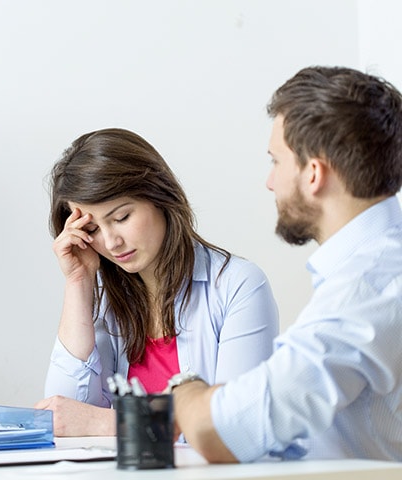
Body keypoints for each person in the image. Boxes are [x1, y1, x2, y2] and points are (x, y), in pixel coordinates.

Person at [170, 66, 402, 463]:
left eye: (276, 161)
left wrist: (184, 389)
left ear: (313, 173)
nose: (270, 182)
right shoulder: (373, 269)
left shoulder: (369, 284)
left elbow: (218, 431)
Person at [34, 128, 279, 436]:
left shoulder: (238, 286)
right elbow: (63, 416)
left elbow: (234, 425)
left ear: (159, 196)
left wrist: (103, 423)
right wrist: (78, 282)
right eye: (93, 230)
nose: (111, 242)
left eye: (121, 218)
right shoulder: (106, 302)